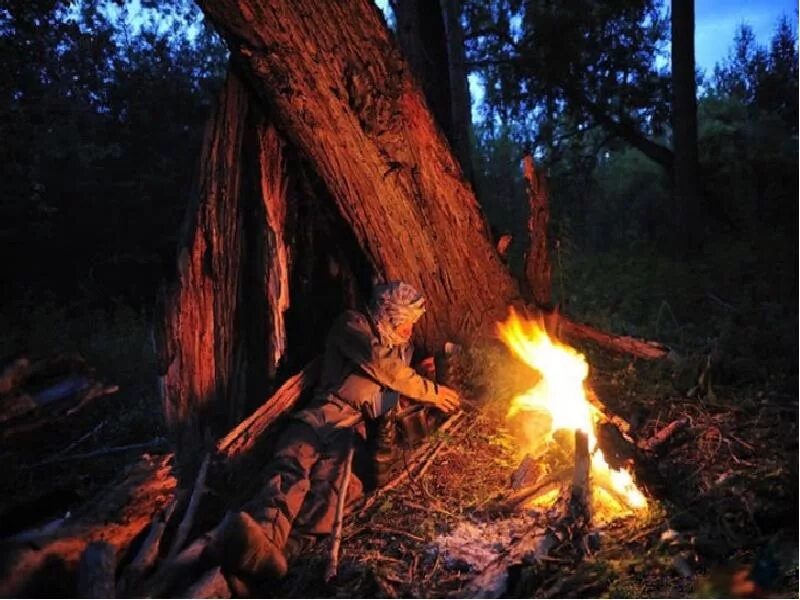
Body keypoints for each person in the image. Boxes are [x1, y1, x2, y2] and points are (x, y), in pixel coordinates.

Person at [208, 281, 461, 581]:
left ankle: (278, 558)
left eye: (412, 323)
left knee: (330, 497)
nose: (409, 329)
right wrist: (431, 391)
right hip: (320, 419)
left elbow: (391, 392)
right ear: (387, 314)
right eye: (404, 321)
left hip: (353, 434)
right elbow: (383, 367)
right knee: (290, 471)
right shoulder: (353, 326)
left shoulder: (403, 351)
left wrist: (419, 381)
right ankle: (260, 538)